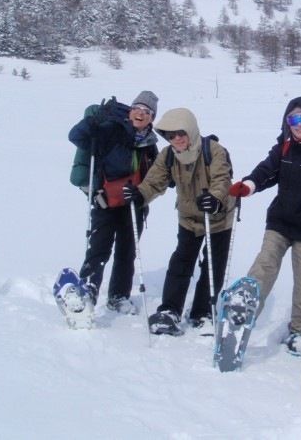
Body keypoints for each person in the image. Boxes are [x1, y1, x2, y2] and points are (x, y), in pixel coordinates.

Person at [228, 97, 301, 355]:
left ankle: (299, 331)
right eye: (293, 119)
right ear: (287, 123)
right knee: (265, 263)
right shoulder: (283, 149)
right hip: (280, 221)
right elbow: (266, 171)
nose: (299, 125)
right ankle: (244, 310)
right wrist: (249, 185)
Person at [123, 108, 235, 336]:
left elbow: (222, 180)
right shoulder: (168, 155)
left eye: (180, 133)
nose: (177, 139)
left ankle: (203, 312)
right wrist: (140, 194)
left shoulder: (213, 151)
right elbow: (154, 181)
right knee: (181, 262)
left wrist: (214, 199)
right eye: (171, 135)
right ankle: (170, 310)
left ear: (191, 130)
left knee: (213, 265)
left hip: (218, 217)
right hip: (189, 217)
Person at [68, 91, 160, 315]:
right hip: (105, 201)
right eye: (137, 108)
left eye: (147, 112)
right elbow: (76, 136)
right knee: (98, 249)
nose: (141, 113)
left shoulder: (150, 144)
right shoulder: (111, 130)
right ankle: (87, 291)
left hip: (134, 205)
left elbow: (157, 175)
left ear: (151, 118)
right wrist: (93, 121)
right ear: (130, 110)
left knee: (126, 253)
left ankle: (119, 296)